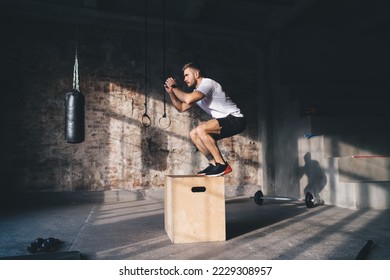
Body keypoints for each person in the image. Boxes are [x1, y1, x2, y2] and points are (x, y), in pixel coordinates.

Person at [164, 62, 246, 177]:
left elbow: (188, 99)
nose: (184, 79)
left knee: (201, 129)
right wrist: (171, 93)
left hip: (235, 119)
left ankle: (222, 165)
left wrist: (174, 86)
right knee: (194, 134)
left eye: (187, 75)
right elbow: (181, 107)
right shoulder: (196, 92)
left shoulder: (208, 84)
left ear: (196, 74)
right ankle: (214, 164)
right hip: (225, 121)